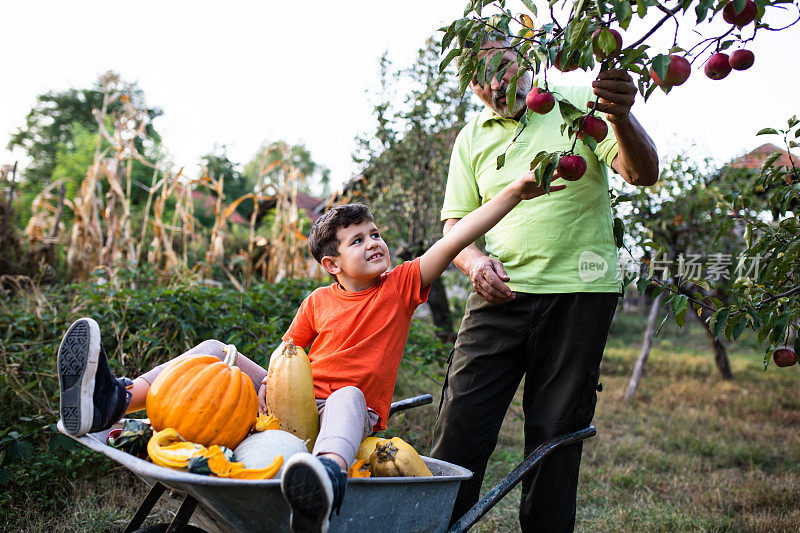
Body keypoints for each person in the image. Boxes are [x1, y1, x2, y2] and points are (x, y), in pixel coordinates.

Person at [57, 170, 566, 533]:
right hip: (287, 407)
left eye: (375, 234)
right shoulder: (317, 302)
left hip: (343, 414)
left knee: (346, 394)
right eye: (357, 240)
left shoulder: (403, 285)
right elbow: (286, 362)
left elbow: (458, 235)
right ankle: (114, 400)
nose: (374, 243)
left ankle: (323, 478)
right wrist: (250, 395)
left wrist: (515, 192)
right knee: (217, 349)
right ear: (331, 264)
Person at [430, 39, 659, 532]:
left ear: (526, 60)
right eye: (479, 77)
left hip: (579, 295)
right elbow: (455, 224)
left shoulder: (574, 104)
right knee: (460, 426)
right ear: (469, 85)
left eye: (503, 67)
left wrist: (619, 116)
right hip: (499, 296)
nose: (494, 83)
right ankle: (439, 527)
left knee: (555, 437)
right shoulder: (471, 137)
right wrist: (472, 264)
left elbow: (642, 172)